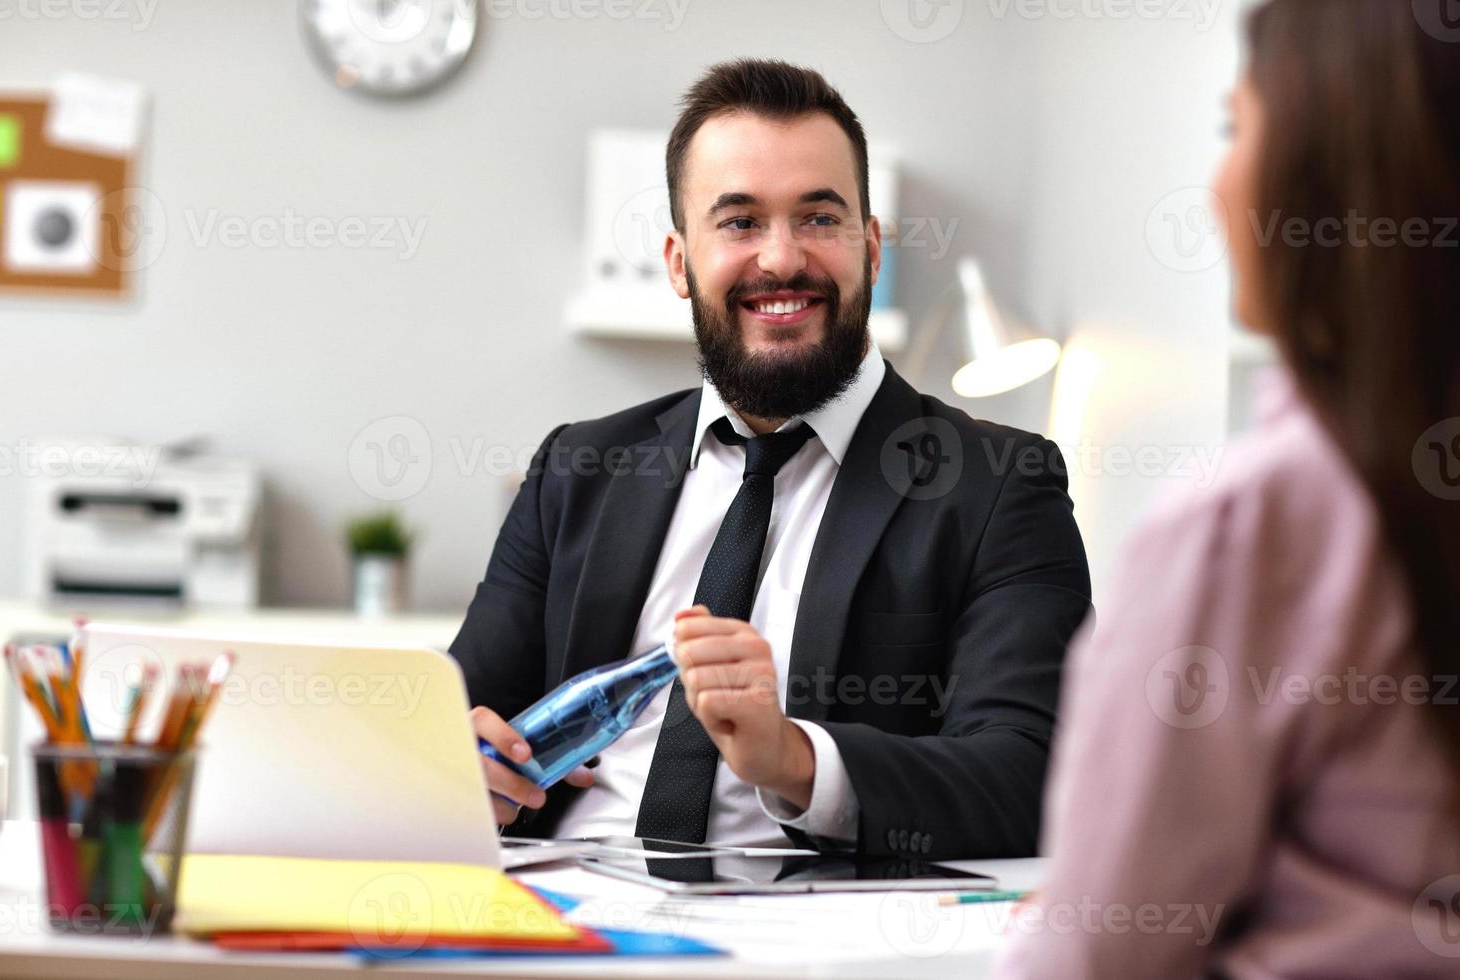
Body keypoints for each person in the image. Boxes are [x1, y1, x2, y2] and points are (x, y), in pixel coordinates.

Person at [450, 59, 1091, 858]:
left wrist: (793, 760)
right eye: (740, 221)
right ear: (680, 263)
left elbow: (1033, 780)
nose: (782, 259)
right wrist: (458, 770)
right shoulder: (577, 467)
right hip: (558, 913)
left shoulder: (1001, 486)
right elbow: (463, 718)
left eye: (819, 219)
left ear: (871, 249)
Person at [996, 1, 1460, 974]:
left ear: (1320, 174)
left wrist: (1075, 907)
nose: (1217, 180)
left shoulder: (1248, 524)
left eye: (1234, 126)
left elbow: (1093, 958)